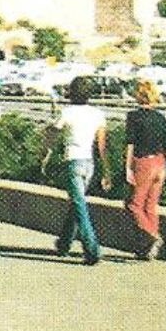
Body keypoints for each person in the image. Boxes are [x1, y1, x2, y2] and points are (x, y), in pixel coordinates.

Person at [42, 76, 113, 265]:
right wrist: (106, 172)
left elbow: (52, 134)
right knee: (76, 204)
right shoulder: (97, 114)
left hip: (72, 161)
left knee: (79, 205)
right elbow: (101, 146)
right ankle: (64, 243)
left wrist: (46, 153)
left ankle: (92, 249)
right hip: (89, 164)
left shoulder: (67, 113)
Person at [123, 80, 166, 260]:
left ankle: (153, 236)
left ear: (138, 95)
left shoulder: (133, 117)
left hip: (143, 164)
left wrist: (127, 167)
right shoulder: (161, 118)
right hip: (160, 164)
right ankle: (147, 250)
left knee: (134, 205)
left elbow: (130, 144)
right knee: (150, 206)